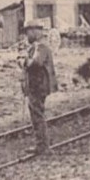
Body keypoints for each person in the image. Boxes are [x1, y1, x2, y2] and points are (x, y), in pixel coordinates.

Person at [21, 25, 56, 154]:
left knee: (37, 115)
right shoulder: (38, 47)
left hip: (38, 86)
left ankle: (43, 146)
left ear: (35, 32)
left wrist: (24, 62)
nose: (27, 36)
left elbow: (36, 63)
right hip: (36, 85)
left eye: (28, 32)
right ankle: (41, 144)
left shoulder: (41, 47)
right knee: (36, 114)